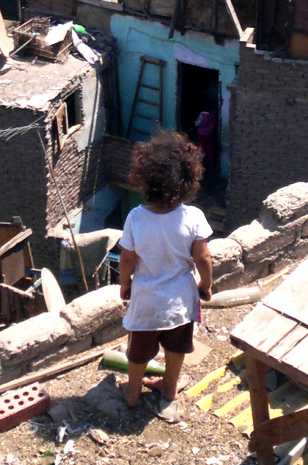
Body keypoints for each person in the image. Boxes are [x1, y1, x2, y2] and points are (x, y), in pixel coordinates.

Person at [118, 132, 213, 413]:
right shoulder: (193, 217)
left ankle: (133, 391)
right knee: (176, 348)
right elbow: (203, 257)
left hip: (146, 300)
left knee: (139, 352)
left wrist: (125, 284)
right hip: (181, 301)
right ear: (188, 180)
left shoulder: (136, 218)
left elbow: (127, 259)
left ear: (145, 180)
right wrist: (205, 285)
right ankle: (169, 388)